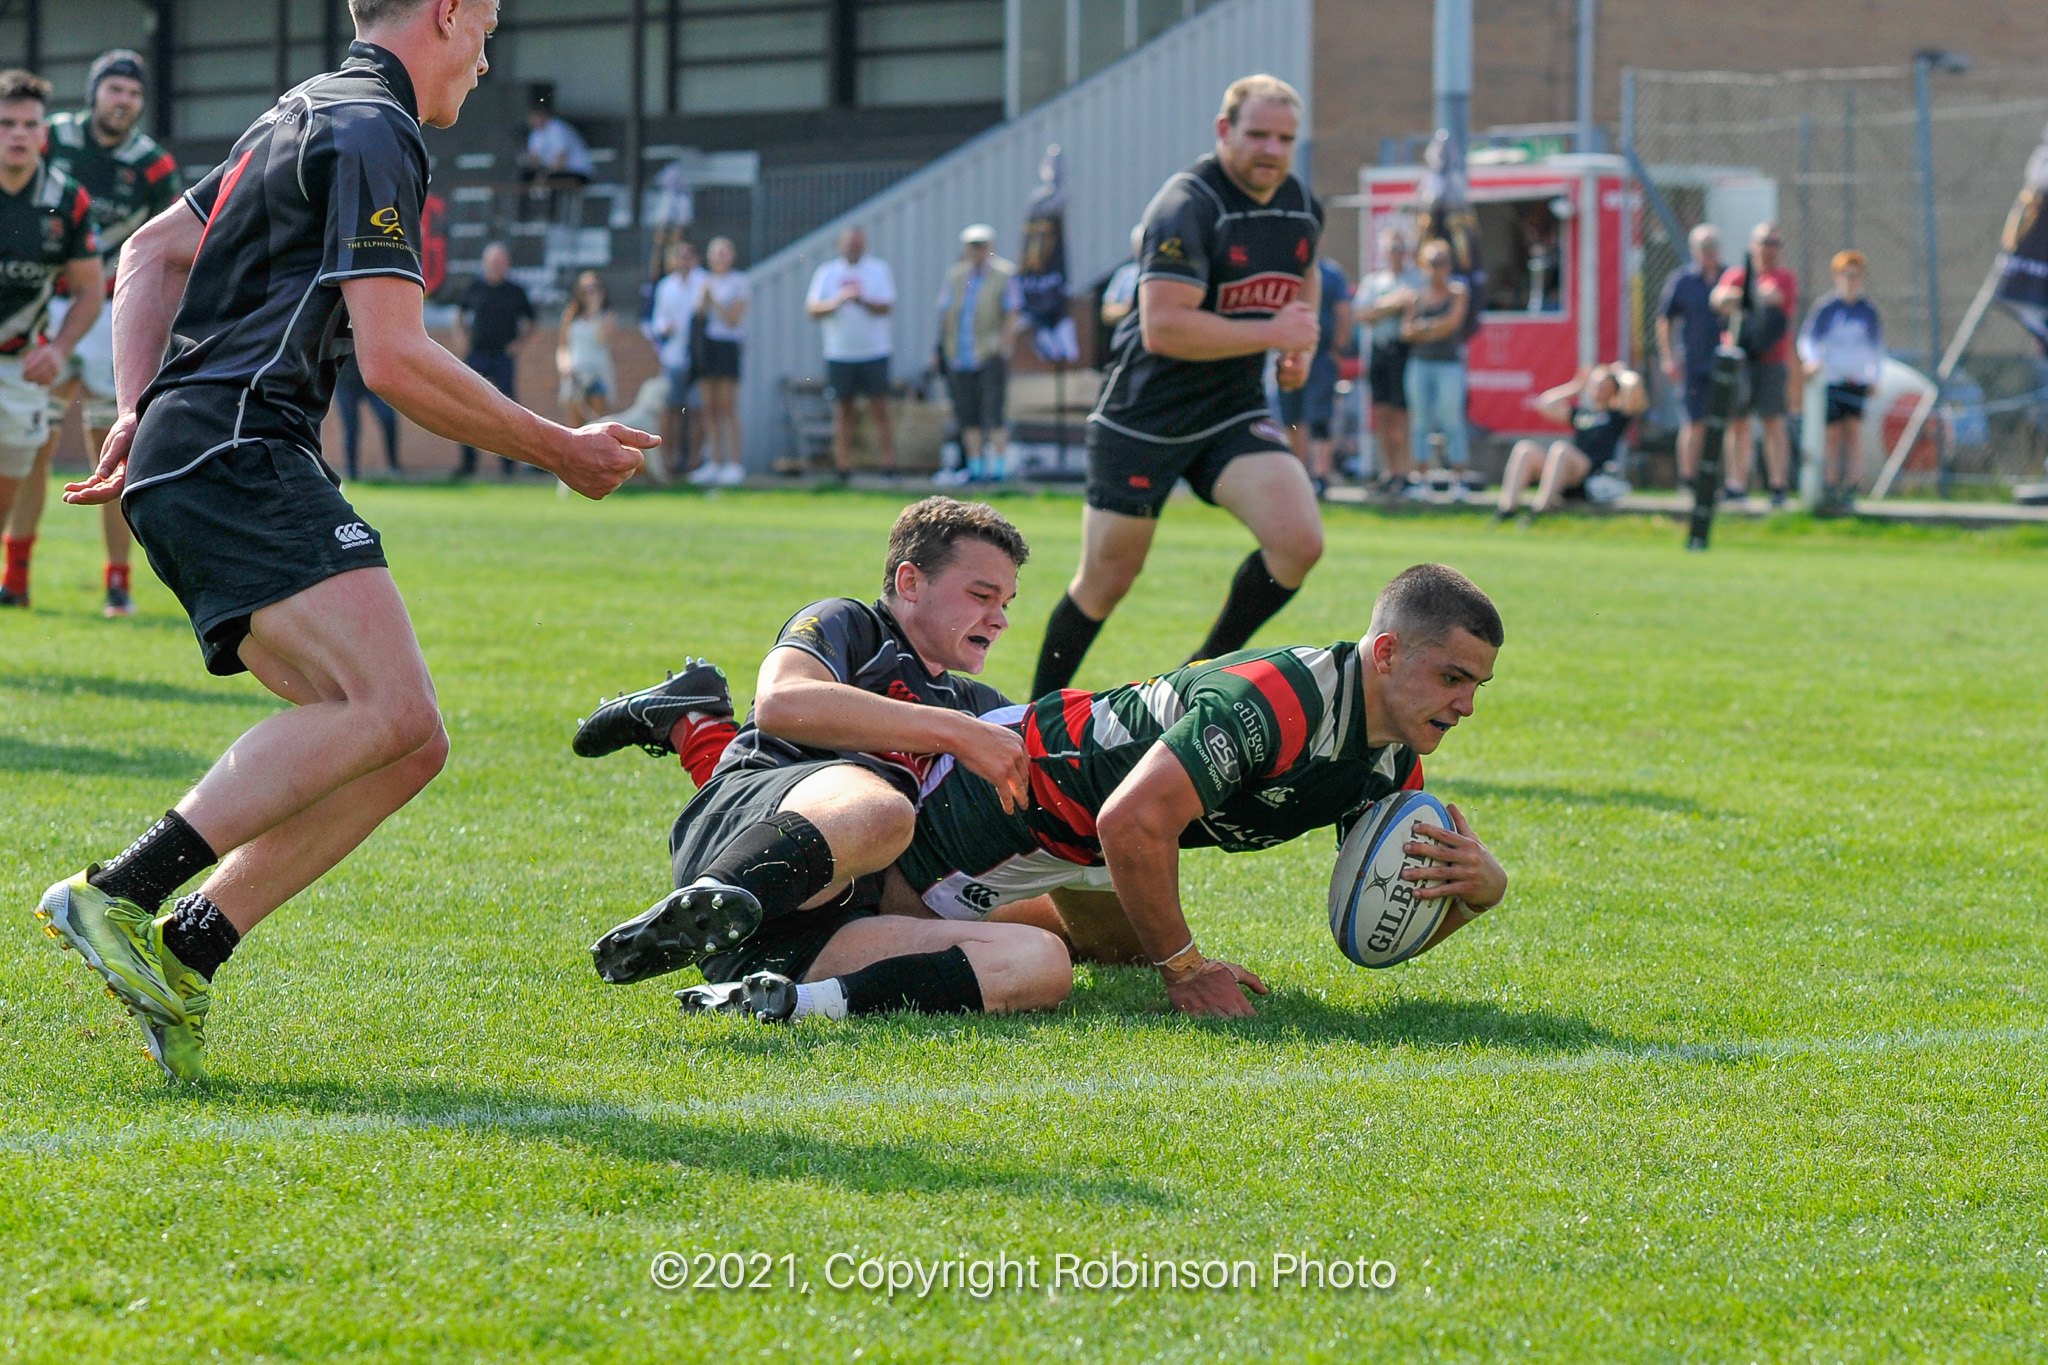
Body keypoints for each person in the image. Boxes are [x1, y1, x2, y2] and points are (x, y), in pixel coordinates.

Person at [39, 1, 654, 1084]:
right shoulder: (377, 130)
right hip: (239, 453)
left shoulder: (299, 111)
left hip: (201, 455)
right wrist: (558, 447)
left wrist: (137, 407)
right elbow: (396, 359)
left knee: (406, 739)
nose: (489, 53)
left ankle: (189, 949)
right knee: (383, 709)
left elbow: (151, 249)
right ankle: (122, 891)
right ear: (448, 12)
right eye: (489, 26)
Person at [595, 563, 1509, 1022]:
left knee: (1085, 951)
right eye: (1453, 678)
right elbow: (1133, 821)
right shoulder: (1276, 699)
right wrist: (1187, 969)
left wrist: (1481, 885)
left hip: (1052, 839)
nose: (1465, 704)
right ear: (1387, 652)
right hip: (984, 803)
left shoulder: (1388, 757)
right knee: (866, 857)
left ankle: (781, 993)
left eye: (1478, 687)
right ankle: (706, 750)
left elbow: (1381, 930)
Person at [583, 498, 1061, 1023]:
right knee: (884, 811)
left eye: (1007, 604)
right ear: (910, 583)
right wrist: (954, 733)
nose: (999, 620)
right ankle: (713, 900)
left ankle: (792, 1002)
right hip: (744, 823)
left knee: (1040, 957)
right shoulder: (850, 624)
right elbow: (781, 702)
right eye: (981, 596)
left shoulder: (979, 706)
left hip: (822, 926)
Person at [1034, 74, 1325, 697]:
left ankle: (1197, 675)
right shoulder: (1186, 204)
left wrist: (1299, 339)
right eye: (1258, 135)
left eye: (1286, 138)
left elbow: (1304, 274)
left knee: (1299, 541)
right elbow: (1165, 327)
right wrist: (1276, 331)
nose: (1272, 150)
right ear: (1224, 131)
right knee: (1106, 580)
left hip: (1232, 409)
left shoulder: (1300, 201)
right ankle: (1027, 719)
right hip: (1146, 415)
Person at [6, 50, 179, 617]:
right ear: (93, 94)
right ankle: (17, 576)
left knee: (115, 449)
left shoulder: (152, 165)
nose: (122, 100)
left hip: (114, 313)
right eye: (113, 89)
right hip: (48, 307)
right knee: (38, 444)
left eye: (132, 92)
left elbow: (168, 246)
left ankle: (118, 582)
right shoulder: (47, 136)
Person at [0, 69, 103, 608]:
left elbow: (89, 289)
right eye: (5, 123)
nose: (17, 134)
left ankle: (14, 575)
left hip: (21, 364)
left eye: (28, 125)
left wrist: (59, 350)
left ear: (44, 134)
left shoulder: (67, 199)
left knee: (8, 485)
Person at [1712, 221, 1798, 506]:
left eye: (1774, 243)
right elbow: (1719, 299)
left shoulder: (1784, 277)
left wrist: (1745, 298)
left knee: (1773, 421)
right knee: (1737, 423)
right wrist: (1748, 297)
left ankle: (1777, 486)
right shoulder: (1737, 275)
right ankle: (1736, 484)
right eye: (1764, 242)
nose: (1768, 249)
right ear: (1753, 245)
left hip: (1771, 360)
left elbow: (1775, 296)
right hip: (1741, 360)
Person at [1494, 365, 1645, 520]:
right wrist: (1576, 387)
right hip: (1566, 473)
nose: (1598, 388)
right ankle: (1507, 510)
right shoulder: (1582, 414)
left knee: (1561, 449)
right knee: (1525, 449)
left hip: (1590, 475)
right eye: (1595, 383)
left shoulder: (1616, 417)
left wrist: (1617, 372)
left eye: (1603, 384)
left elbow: (1635, 390)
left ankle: (1542, 509)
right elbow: (1544, 404)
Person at [805, 226, 897, 479]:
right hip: (839, 353)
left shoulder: (878, 270)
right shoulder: (827, 273)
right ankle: (843, 467)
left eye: (857, 243)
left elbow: (887, 306)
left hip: (874, 351)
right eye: (849, 243)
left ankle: (888, 465)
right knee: (843, 411)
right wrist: (838, 301)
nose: (853, 247)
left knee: (880, 409)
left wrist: (863, 301)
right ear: (840, 245)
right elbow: (812, 309)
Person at [1798, 250, 1884, 514]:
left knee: (1853, 433)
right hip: (1832, 379)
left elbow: (1877, 348)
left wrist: (1874, 377)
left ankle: (1851, 485)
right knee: (1832, 434)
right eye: (1846, 275)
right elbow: (1808, 339)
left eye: (1856, 276)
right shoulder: (1827, 308)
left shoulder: (1867, 310)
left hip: (1856, 379)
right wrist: (1811, 361)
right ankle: (1831, 484)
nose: (1851, 281)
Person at [935, 223, 1022, 483]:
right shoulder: (956, 276)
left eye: (981, 245)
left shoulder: (1004, 275)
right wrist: (942, 348)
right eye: (973, 246)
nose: (977, 251)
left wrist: (1004, 347)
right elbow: (947, 314)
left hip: (989, 353)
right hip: (959, 355)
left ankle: (998, 468)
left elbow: (1012, 313)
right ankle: (974, 467)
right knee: (967, 413)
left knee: (993, 412)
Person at [453, 241, 534, 479]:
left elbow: (531, 321)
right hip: (476, 356)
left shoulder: (515, 291)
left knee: (507, 411)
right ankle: (468, 465)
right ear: (484, 264)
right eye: (492, 263)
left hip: (502, 358)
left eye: (500, 263)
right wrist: (461, 339)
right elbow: (459, 313)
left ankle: (509, 467)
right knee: (467, 408)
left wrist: (517, 345)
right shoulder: (475, 287)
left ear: (507, 265)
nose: (496, 267)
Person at [1401, 239, 1475, 497]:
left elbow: (1451, 324)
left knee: (1451, 420)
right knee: (1420, 422)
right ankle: (1421, 481)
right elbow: (1406, 331)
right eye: (1433, 263)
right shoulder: (1416, 295)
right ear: (1423, 265)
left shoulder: (1458, 291)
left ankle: (1459, 481)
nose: (1438, 268)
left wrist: (1424, 328)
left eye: (1443, 262)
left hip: (1448, 365)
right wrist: (1427, 329)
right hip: (1420, 364)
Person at [1353, 229, 1423, 500]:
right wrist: (1393, 303)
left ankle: (1405, 472)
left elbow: (1414, 306)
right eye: (1390, 249)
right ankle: (1389, 472)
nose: (1395, 254)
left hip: (1403, 352)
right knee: (1382, 414)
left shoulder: (1415, 278)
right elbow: (1363, 314)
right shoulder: (1373, 281)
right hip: (1378, 352)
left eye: (1399, 249)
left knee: (1401, 414)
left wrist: (1381, 308)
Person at [1655, 224, 1724, 495]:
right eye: (1703, 248)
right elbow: (1664, 320)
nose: (1708, 254)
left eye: (1712, 248)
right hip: (1693, 361)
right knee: (1694, 422)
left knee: (1720, 424)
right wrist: (1668, 358)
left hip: (1722, 362)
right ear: (1694, 250)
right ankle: (1688, 479)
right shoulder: (1682, 280)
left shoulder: (1729, 277)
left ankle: (1716, 480)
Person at [1277, 253, 1351, 496]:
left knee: (1319, 416)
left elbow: (1343, 310)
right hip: (1289, 352)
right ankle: (1299, 473)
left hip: (1320, 357)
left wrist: (1337, 350)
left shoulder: (1331, 273)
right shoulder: (1284, 267)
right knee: (1292, 417)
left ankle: (1321, 474)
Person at [647, 239, 705, 483]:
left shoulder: (703, 282)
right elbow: (657, 320)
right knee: (671, 409)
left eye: (687, 256)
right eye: (679, 256)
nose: (683, 261)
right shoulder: (666, 286)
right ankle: (668, 460)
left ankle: (694, 461)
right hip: (672, 356)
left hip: (697, 357)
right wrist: (665, 327)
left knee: (695, 410)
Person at [695, 236, 748, 486]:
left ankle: (734, 463)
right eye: (716, 253)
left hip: (728, 345)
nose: (720, 257)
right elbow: (698, 316)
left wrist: (712, 299)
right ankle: (714, 461)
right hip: (709, 347)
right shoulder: (704, 281)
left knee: (728, 407)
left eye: (724, 252)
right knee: (710, 408)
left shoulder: (739, 282)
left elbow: (733, 319)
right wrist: (702, 301)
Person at [556, 269, 616, 430]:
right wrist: (564, 364)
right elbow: (563, 345)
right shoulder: (570, 315)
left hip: (597, 374)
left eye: (594, 288)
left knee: (598, 427)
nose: (591, 293)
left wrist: (594, 310)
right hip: (575, 375)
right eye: (586, 290)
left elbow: (600, 338)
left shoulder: (606, 316)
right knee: (575, 429)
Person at [520, 100, 592, 222]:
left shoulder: (558, 129)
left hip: (577, 171)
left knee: (551, 180)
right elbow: (535, 159)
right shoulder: (536, 134)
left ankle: (552, 219)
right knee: (525, 177)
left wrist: (543, 176)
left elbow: (560, 161)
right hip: (552, 171)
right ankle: (524, 217)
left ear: (542, 116)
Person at [333, 355, 400, 480]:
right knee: (351, 428)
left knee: (388, 418)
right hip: (345, 382)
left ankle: (393, 467)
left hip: (370, 379)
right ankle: (352, 473)